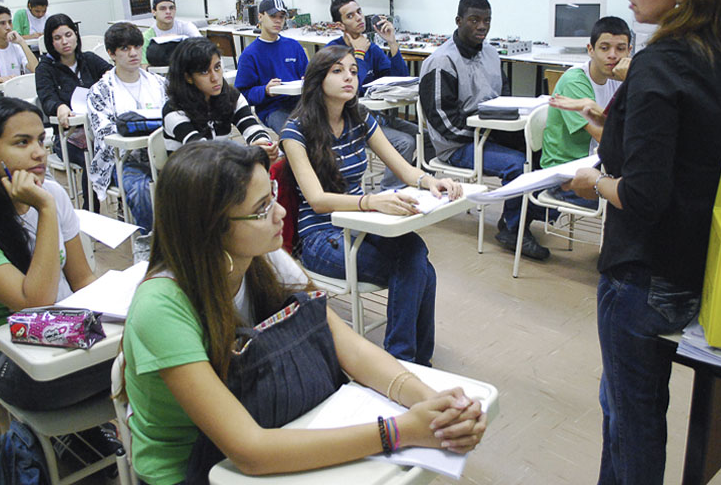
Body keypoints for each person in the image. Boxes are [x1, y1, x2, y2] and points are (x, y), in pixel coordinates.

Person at [121, 140, 485, 484]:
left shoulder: (267, 258)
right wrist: (399, 430)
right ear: (211, 229)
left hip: (273, 423)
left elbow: (349, 347)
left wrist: (428, 403)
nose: (281, 213)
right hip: (196, 469)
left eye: (274, 196)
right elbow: (249, 450)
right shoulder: (161, 307)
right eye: (261, 208)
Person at [561, 0, 721, 485]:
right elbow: (690, 164)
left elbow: (645, 194)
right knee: (636, 411)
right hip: (694, 267)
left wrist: (593, 183)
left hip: (640, 277)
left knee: (631, 421)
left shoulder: (658, 64)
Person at [281, 45, 462, 364]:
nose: (349, 77)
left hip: (359, 225)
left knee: (415, 255)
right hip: (321, 237)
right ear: (317, 80)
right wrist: (371, 201)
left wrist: (432, 181)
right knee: (416, 265)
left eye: (353, 70)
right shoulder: (296, 131)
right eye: (337, 71)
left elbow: (402, 168)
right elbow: (317, 200)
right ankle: (407, 361)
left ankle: (407, 360)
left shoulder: (359, 118)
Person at [0, 97, 111, 407]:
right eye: (22, 143)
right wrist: (44, 208)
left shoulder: (52, 191)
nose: (38, 153)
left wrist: (124, 309)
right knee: (155, 358)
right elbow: (35, 304)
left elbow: (82, 278)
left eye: (41, 140)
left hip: (66, 330)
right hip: (9, 361)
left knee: (157, 342)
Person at [419, 0, 549, 260]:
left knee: (540, 149)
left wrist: (506, 124)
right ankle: (513, 229)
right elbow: (442, 123)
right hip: (457, 145)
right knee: (516, 163)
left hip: (489, 133)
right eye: (474, 20)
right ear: (459, 20)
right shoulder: (441, 62)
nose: (482, 27)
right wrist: (484, 132)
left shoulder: (491, 54)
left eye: (487, 21)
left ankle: (521, 217)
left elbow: (504, 95)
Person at [327, 0, 419, 188]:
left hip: (375, 116)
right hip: (351, 122)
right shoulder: (332, 51)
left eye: (359, 12)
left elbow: (399, 80)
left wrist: (392, 43)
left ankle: (413, 183)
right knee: (405, 142)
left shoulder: (371, 47)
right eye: (350, 16)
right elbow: (350, 90)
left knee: (424, 135)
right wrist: (358, 55)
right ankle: (390, 191)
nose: (359, 18)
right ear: (340, 25)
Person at [540, 16, 632, 209]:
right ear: (590, 50)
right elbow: (605, 137)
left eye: (620, 49)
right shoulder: (576, 81)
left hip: (598, 163)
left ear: (629, 52)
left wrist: (631, 80)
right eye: (604, 48)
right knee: (631, 200)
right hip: (566, 173)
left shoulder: (619, 76)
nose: (613, 56)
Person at [88, 22, 165, 235]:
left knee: (197, 177)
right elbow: (104, 133)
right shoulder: (101, 91)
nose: (133, 53)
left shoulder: (158, 84)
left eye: (137, 47)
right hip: (122, 160)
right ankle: (151, 244)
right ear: (112, 54)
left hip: (161, 155)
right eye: (125, 49)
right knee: (140, 190)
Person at [35, 13, 112, 209]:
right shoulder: (45, 68)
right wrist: (59, 107)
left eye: (68, 35)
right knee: (92, 156)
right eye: (57, 38)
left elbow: (112, 76)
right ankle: (91, 210)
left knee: (111, 149)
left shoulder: (89, 59)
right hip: (68, 135)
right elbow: (47, 98)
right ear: (50, 42)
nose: (65, 42)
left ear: (76, 35)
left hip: (98, 129)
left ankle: (120, 204)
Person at [162, 37, 278, 161]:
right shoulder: (174, 110)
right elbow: (203, 153)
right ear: (188, 77)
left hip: (221, 169)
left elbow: (252, 127)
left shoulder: (232, 97)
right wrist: (247, 152)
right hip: (187, 175)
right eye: (205, 72)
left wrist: (263, 144)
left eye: (217, 67)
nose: (215, 78)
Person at [234, 0, 307, 133]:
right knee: (292, 133)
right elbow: (242, 94)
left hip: (300, 104)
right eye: (273, 16)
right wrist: (265, 91)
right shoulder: (250, 55)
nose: (278, 21)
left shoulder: (294, 47)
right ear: (260, 17)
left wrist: (309, 80)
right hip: (273, 108)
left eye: (282, 17)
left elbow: (308, 75)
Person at [141, 0, 202, 66]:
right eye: (162, 8)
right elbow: (145, 67)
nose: (168, 12)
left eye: (171, 8)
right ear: (154, 12)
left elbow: (202, 49)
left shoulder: (186, 27)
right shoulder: (147, 37)